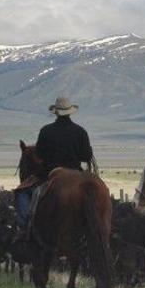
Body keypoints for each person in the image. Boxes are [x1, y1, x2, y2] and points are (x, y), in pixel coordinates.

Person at [13, 96, 93, 237]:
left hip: (52, 173)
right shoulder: (81, 131)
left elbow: (39, 155)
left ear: (55, 112)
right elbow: (86, 156)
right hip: (76, 172)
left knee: (22, 193)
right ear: (70, 112)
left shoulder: (46, 131)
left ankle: (25, 229)